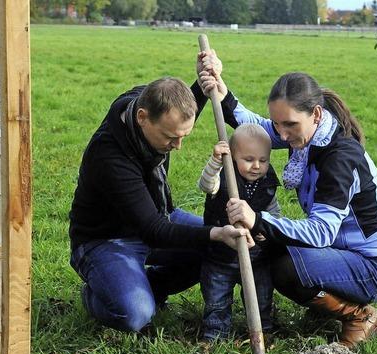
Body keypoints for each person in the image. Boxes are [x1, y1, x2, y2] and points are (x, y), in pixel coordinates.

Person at [198, 54, 377, 348]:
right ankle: (329, 298)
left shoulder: (338, 158)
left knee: (283, 266)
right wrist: (222, 93)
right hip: (343, 252)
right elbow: (256, 129)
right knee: (272, 245)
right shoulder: (308, 133)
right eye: (277, 123)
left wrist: (258, 219)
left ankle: (358, 315)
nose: (281, 134)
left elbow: (321, 232)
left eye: (289, 125)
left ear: (316, 115)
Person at [68, 76, 254, 332]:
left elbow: (178, 112)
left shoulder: (147, 103)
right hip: (105, 240)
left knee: (219, 249)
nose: (177, 147)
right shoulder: (110, 157)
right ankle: (95, 296)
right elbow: (153, 230)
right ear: (142, 118)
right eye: (170, 138)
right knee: (135, 314)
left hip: (158, 215)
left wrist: (204, 81)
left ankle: (151, 286)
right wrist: (217, 233)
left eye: (183, 136)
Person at [197, 124, 281, 340]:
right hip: (220, 256)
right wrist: (216, 162)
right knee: (217, 298)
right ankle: (215, 334)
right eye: (249, 159)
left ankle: (263, 332)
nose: (256, 166)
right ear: (233, 157)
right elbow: (206, 185)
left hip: (257, 258)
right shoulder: (223, 177)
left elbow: (274, 216)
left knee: (261, 297)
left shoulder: (267, 183)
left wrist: (266, 232)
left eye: (263, 160)